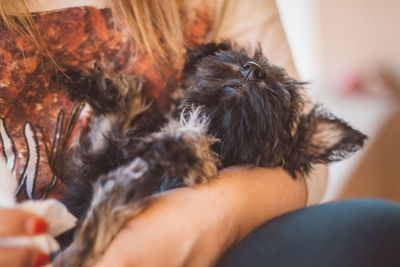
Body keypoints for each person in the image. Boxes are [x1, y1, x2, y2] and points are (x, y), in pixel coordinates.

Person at [5, 1, 396, 267]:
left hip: (210, 236)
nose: (251, 71)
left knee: (371, 228)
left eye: (271, 87)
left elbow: (309, 166)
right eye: (242, 62)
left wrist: (205, 216)